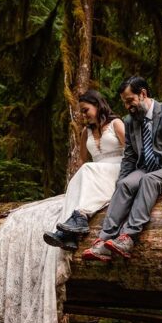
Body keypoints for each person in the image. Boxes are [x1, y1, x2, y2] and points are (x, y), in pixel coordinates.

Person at [83, 76, 162, 261]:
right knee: (125, 183)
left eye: (129, 101)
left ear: (142, 94)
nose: (127, 107)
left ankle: (128, 237)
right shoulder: (130, 120)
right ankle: (103, 240)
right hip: (146, 168)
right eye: (124, 103)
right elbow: (130, 156)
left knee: (147, 180)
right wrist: (119, 184)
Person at [43, 90, 126, 250]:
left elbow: (132, 151)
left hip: (118, 169)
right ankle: (69, 235)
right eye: (81, 112)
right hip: (96, 172)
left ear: (97, 105)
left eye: (85, 110)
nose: (83, 115)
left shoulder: (116, 124)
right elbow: (82, 159)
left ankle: (80, 217)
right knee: (81, 175)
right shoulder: (85, 133)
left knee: (87, 169)